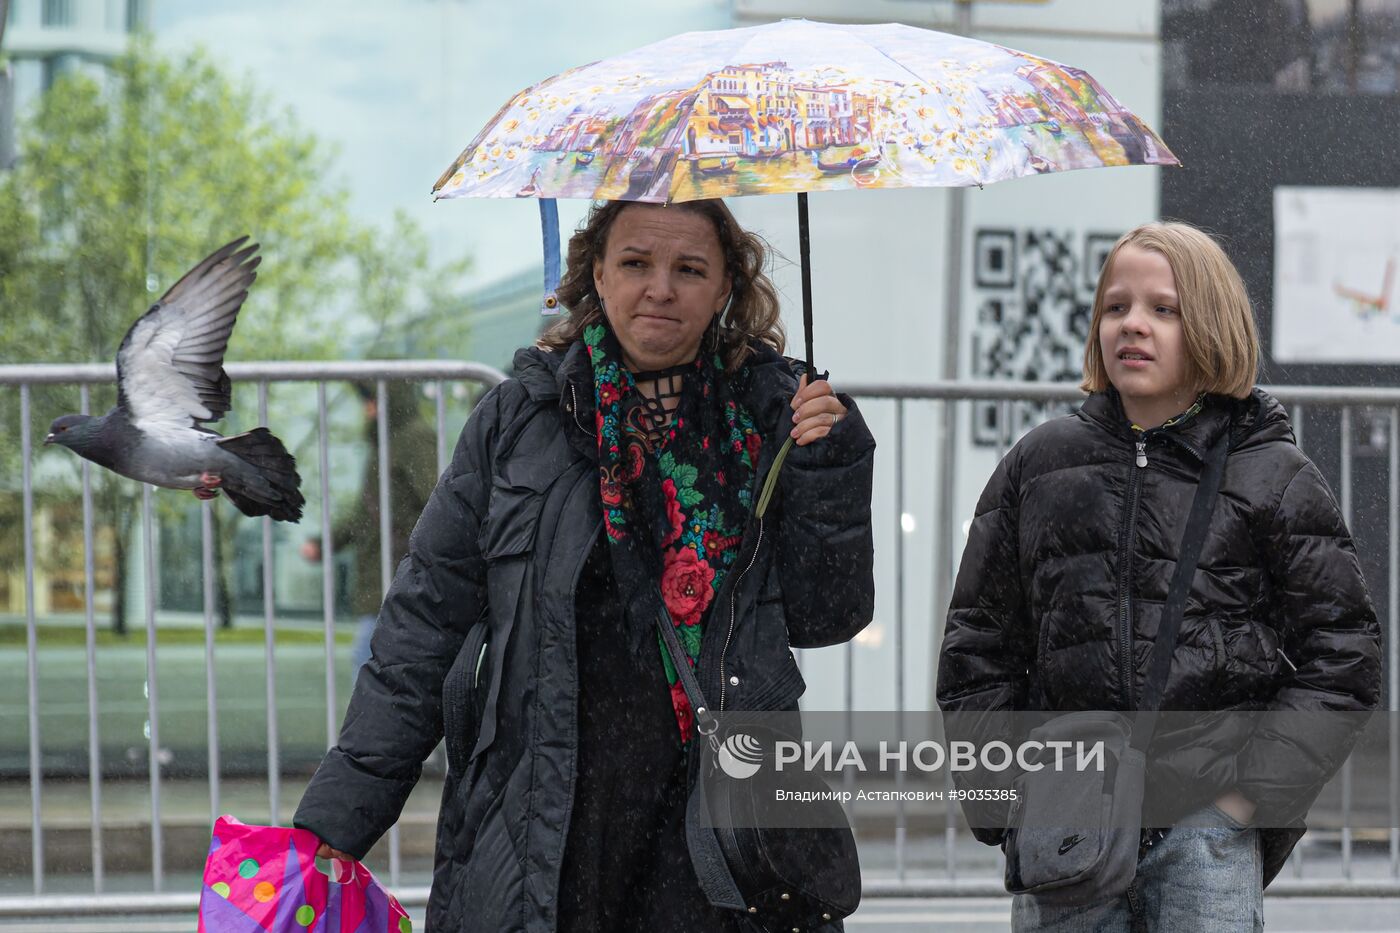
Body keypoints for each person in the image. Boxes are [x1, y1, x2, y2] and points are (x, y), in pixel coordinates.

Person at [294, 198, 876, 932]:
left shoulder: (779, 421)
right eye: (635, 263)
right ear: (596, 273)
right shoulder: (517, 422)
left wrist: (829, 467)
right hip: (551, 823)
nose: (659, 287)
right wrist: (332, 823)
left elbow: (829, 614)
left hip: (720, 833)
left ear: (727, 286)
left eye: (689, 268)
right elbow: (421, 629)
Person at [936, 221, 1381, 932]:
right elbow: (977, 648)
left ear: (1210, 322)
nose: (1132, 325)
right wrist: (1011, 797)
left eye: (1162, 308)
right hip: (1067, 827)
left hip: (1207, 833)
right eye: (1116, 307)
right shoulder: (1038, 465)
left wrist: (1246, 800)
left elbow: (1344, 657)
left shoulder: (1273, 476)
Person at [300, 381, 439, 686]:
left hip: (401, 573)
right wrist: (326, 544)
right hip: (384, 574)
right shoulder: (386, 445)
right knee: (377, 666)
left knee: (370, 662)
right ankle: (376, 731)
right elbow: (366, 516)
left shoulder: (414, 439)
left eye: (371, 398)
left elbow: (437, 504)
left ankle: (371, 733)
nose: (366, 408)